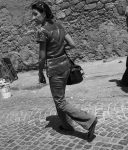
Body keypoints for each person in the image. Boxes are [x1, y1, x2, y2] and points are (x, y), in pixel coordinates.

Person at [31, 1, 97, 140]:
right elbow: (72, 44)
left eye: (35, 14)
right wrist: (60, 48)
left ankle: (89, 120)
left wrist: (40, 73)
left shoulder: (42, 31)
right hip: (65, 65)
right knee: (59, 98)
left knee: (60, 101)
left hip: (55, 69)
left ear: (43, 13)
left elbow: (42, 57)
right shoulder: (59, 25)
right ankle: (66, 125)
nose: (33, 17)